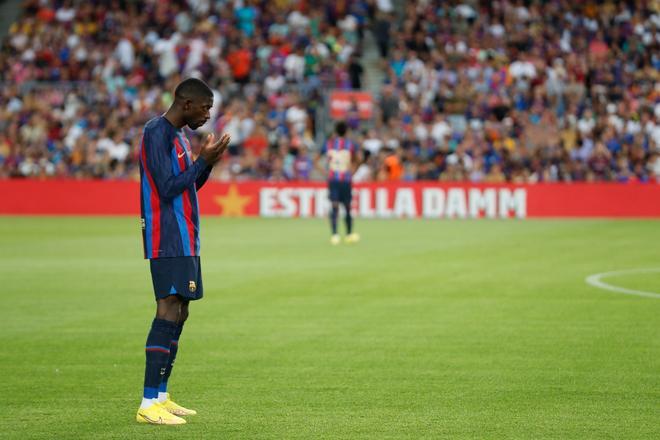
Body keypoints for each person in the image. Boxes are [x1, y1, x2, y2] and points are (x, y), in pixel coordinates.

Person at [137, 78, 230, 425]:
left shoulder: (178, 137)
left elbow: (187, 184)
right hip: (167, 235)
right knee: (167, 309)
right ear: (186, 104)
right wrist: (200, 162)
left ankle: (161, 396)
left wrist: (206, 163)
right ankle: (148, 404)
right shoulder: (156, 132)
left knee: (181, 311)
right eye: (205, 108)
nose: (208, 115)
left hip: (185, 236)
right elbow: (166, 188)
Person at [322, 121, 360, 245]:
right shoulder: (350, 144)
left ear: (335, 131)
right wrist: (353, 170)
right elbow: (359, 158)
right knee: (348, 207)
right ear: (347, 131)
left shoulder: (329, 144)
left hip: (333, 179)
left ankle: (334, 235)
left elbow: (316, 159)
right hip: (345, 180)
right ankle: (349, 234)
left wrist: (325, 172)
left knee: (334, 206)